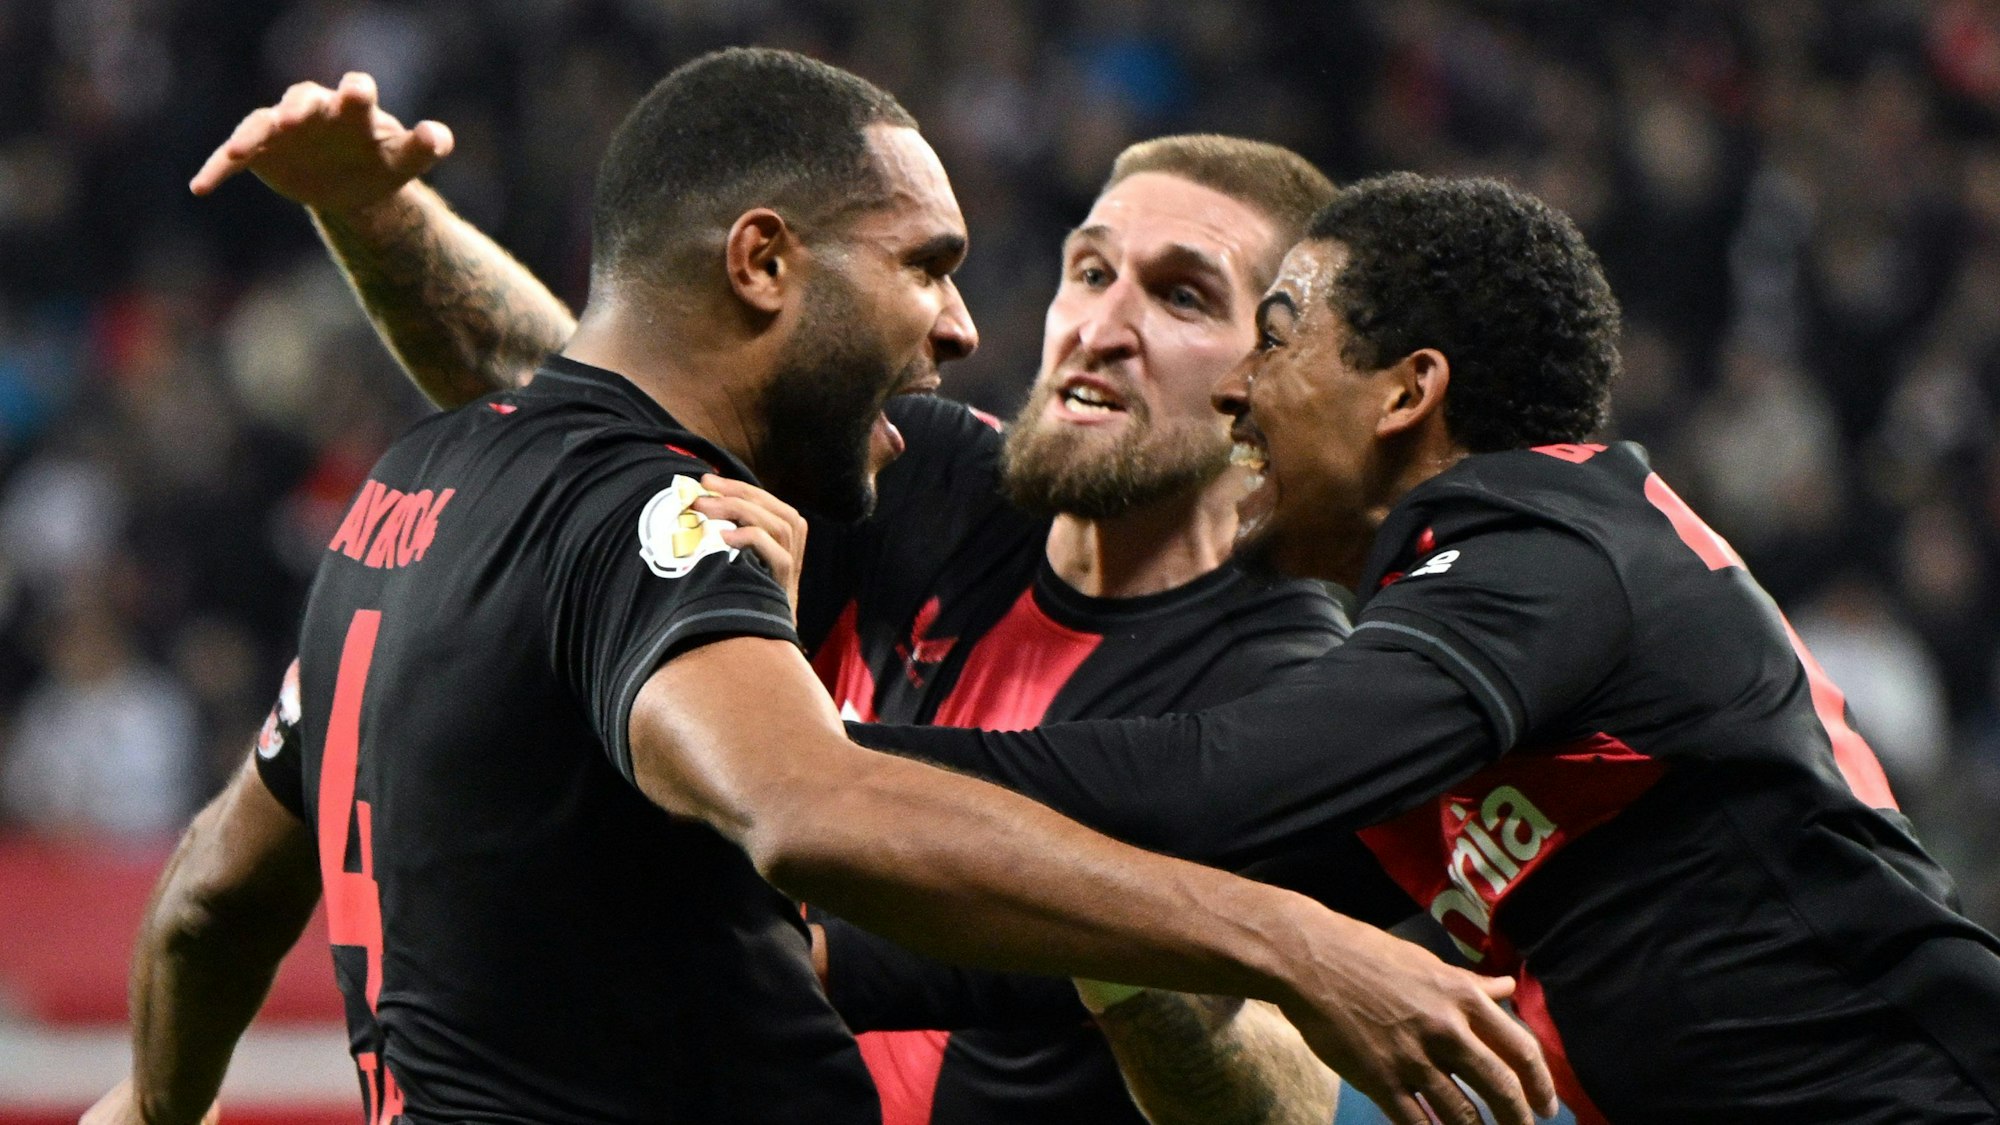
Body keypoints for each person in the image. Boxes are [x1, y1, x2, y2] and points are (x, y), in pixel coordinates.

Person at [90, 51, 1556, 1125]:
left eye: (1179, 297)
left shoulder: (1290, 691)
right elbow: (619, 405)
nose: (1092, 325)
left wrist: (1114, 934)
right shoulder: (907, 474)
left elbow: (1279, 1118)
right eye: (1089, 269)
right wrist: (378, 217)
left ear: (1270, 378)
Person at [850, 175, 2000, 1122]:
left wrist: (835, 766)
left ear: (1407, 391)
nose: (1240, 393)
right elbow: (1156, 914)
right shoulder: (1459, 654)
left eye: (1279, 340)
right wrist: (799, 933)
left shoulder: (1563, 540)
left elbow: (1216, 782)